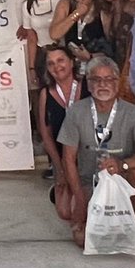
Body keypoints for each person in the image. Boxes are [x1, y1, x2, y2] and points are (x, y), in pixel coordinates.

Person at [54, 55, 135, 254]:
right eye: (96, 80)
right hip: (89, 182)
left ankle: (133, 228)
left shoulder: (132, 112)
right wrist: (79, 199)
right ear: (88, 83)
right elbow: (68, 159)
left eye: (109, 79)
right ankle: (93, 216)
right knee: (81, 238)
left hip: (120, 180)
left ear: (117, 83)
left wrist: (122, 164)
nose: (103, 85)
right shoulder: (76, 111)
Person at [39, 44, 83, 222]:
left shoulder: (87, 87)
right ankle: (61, 187)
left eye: (61, 60)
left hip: (88, 158)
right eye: (51, 63)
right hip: (63, 159)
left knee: (84, 209)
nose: (56, 66)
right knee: (66, 213)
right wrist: (59, 168)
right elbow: (46, 134)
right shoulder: (46, 94)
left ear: (72, 62)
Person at [18, 0, 57, 153]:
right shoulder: (27, 6)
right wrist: (32, 67)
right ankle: (49, 152)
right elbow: (32, 37)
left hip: (60, 55)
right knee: (43, 105)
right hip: (42, 57)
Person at [50, 0, 112, 69]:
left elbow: (111, 47)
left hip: (96, 66)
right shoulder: (65, 3)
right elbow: (54, 34)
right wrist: (76, 13)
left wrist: (90, 56)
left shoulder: (102, 10)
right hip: (70, 67)